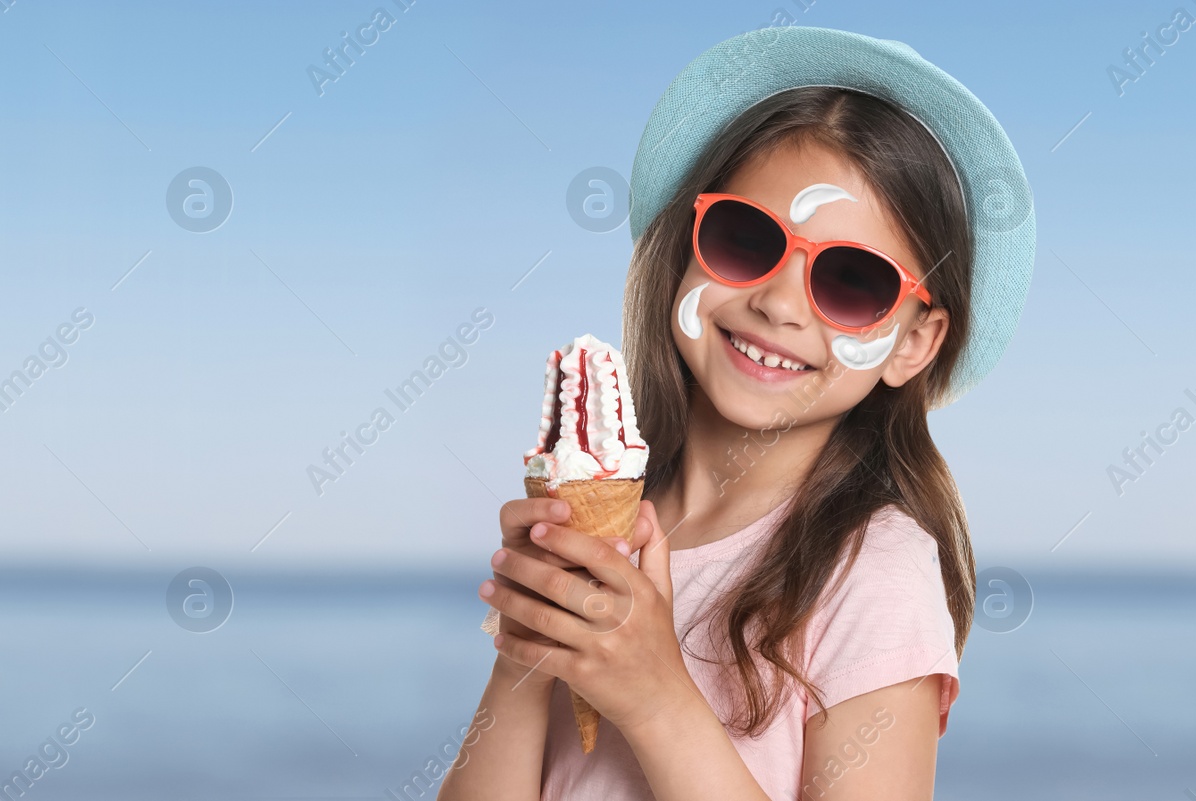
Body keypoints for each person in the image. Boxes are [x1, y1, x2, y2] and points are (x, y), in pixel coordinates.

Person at [439, 25, 1035, 801]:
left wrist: (656, 698)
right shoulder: (609, 534)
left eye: (852, 281)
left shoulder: (875, 571)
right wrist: (524, 652)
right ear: (688, 241)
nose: (779, 304)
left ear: (914, 341)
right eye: (745, 238)